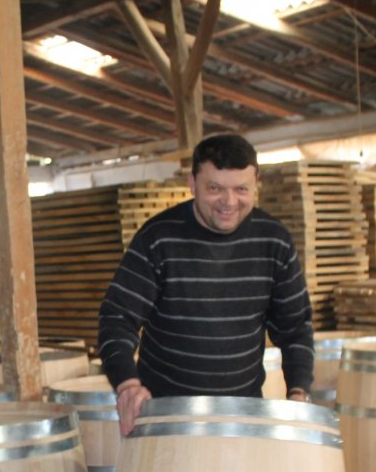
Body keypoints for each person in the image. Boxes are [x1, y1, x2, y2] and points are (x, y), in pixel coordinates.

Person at [98, 133, 315, 435]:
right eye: (215, 188)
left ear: (256, 185)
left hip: (242, 417)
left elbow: (295, 329)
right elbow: (117, 318)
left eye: (241, 189)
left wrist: (298, 393)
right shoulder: (158, 238)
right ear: (192, 184)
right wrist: (128, 385)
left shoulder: (273, 241)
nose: (229, 202)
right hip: (166, 417)